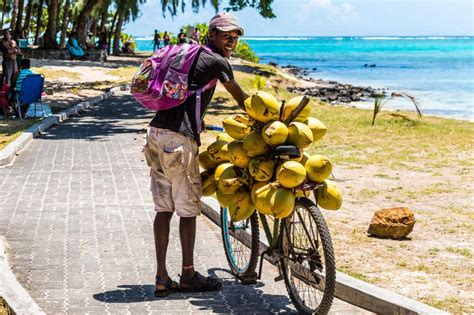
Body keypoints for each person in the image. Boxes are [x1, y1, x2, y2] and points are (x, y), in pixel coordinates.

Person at [145, 12, 247, 296]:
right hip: (179, 139)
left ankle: (162, 276)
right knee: (188, 209)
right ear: (212, 34)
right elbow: (241, 97)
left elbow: (188, 93)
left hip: (156, 134)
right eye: (226, 35)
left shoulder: (191, 55)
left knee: (164, 208)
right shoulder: (216, 61)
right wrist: (265, 118)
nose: (232, 41)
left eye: (236, 37)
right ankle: (188, 275)